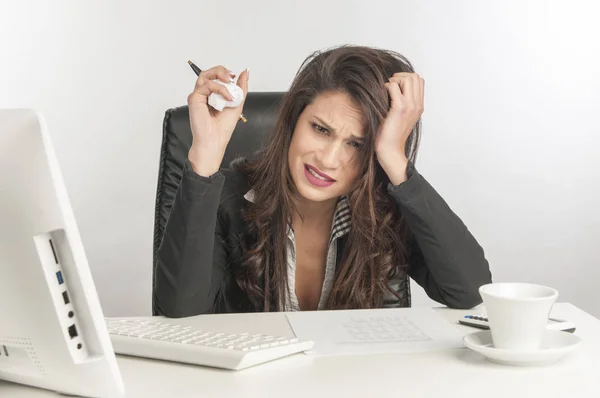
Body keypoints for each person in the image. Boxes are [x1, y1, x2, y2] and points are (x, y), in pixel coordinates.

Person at [153, 45, 492, 317]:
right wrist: (205, 157)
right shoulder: (227, 196)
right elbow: (180, 309)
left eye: (356, 144)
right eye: (320, 129)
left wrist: (395, 158)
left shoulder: (385, 206)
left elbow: (470, 293)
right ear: (293, 121)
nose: (328, 160)